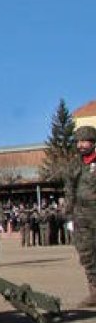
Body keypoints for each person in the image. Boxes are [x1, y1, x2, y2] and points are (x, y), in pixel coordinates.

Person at [62, 125, 96, 307]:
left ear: (93, 142)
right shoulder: (74, 165)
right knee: (87, 255)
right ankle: (94, 292)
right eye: (79, 142)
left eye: (85, 141)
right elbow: (69, 191)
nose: (81, 145)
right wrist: (68, 216)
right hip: (82, 217)